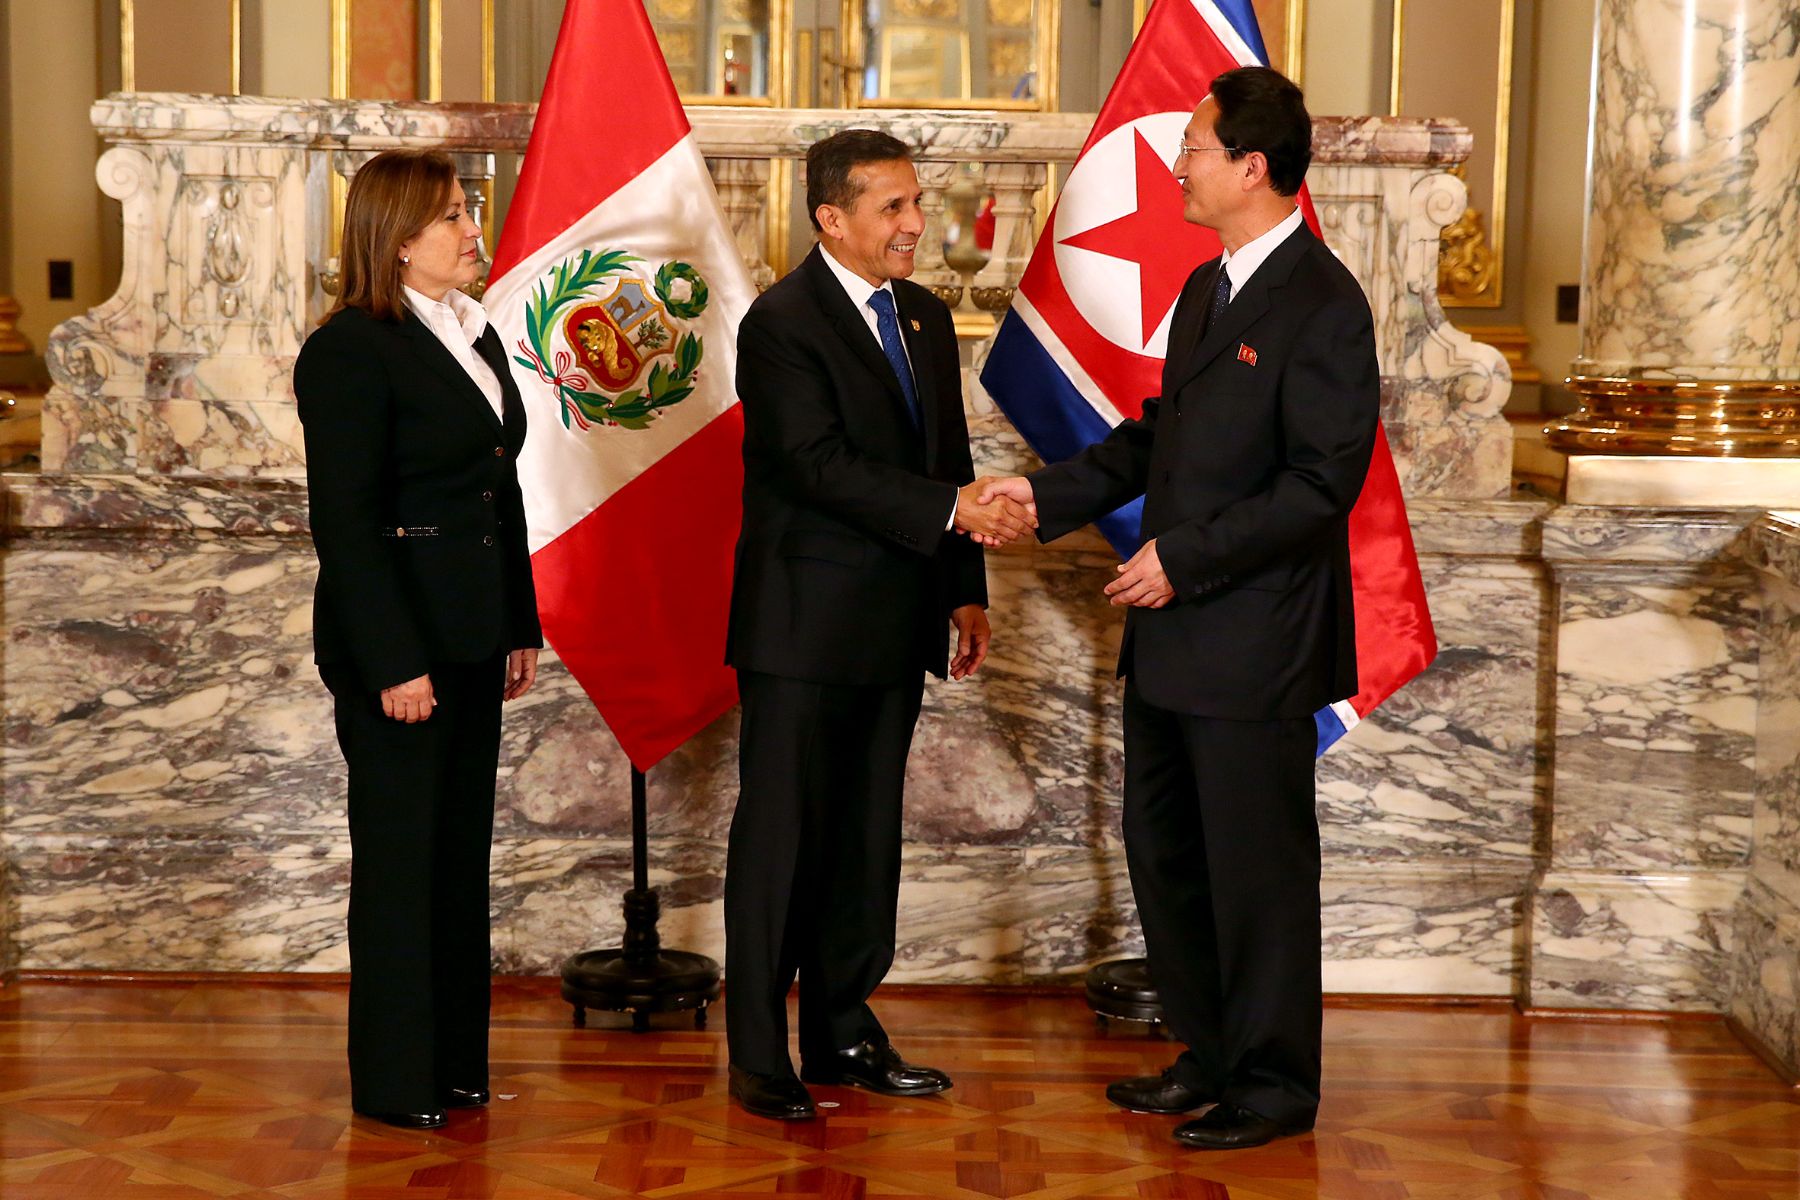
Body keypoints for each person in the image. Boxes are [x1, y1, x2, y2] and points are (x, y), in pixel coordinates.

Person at [981, 67, 1379, 1149]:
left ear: (1253, 167)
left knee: (1256, 873)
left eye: (1196, 147)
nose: (1178, 165)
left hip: (1252, 642)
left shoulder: (1325, 303)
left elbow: (1318, 484)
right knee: (1170, 854)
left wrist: (1185, 560)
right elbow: (1161, 441)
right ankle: (1210, 1054)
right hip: (1175, 639)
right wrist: (1043, 493)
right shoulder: (1211, 286)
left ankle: (1275, 1085)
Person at [721, 129, 1036, 1120]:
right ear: (832, 217)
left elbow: (944, 452)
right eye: (893, 207)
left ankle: (844, 1030)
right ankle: (761, 1054)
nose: (915, 224)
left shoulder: (925, 318)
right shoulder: (780, 323)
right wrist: (953, 513)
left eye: (916, 202)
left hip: (895, 619)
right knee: (783, 840)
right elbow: (813, 464)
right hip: (803, 627)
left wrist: (963, 586)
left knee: (864, 838)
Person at [293, 148, 542, 1130]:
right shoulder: (350, 349)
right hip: (399, 648)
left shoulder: (472, 335)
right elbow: (345, 524)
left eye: (470, 209)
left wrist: (518, 623)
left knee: (456, 857)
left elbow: (500, 491)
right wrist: (396, 660)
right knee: (402, 865)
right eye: (454, 216)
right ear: (399, 241)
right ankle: (397, 1083)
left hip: (477, 633)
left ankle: (453, 1063)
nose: (475, 228)